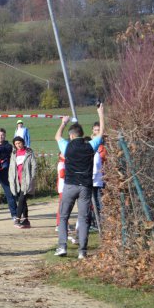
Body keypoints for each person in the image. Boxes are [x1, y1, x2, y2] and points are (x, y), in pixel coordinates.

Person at [54, 104, 105, 259]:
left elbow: (57, 137)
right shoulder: (90, 146)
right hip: (85, 187)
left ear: (71, 136)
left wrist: (63, 123)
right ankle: (82, 251)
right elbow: (101, 133)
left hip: (70, 185)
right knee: (83, 218)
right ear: (82, 135)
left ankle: (62, 246)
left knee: (64, 216)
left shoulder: (67, 147)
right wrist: (101, 114)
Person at [8, 136, 37, 229]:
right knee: (22, 200)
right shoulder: (14, 153)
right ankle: (26, 220)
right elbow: (11, 167)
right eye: (16, 144)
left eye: (19, 143)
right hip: (17, 180)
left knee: (21, 199)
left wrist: (32, 177)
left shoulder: (29, 152)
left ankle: (17, 219)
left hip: (26, 180)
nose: (18, 145)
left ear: (23, 143)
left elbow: (34, 165)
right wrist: (11, 178)